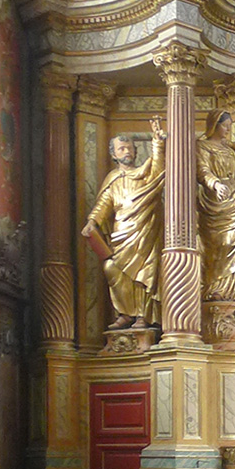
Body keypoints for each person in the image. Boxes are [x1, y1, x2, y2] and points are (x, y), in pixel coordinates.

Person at [82, 120, 166, 329]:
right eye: (121, 148)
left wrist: (157, 142)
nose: (126, 151)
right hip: (122, 232)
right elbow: (103, 204)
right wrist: (92, 222)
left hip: (146, 229)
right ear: (114, 154)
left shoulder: (144, 173)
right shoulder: (112, 179)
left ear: (136, 151)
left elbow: (158, 168)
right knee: (112, 268)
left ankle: (143, 317)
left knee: (144, 273)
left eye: (129, 147)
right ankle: (125, 313)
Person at [197, 110, 235, 302]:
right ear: (214, 125)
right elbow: (202, 169)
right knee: (221, 243)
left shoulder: (231, 149)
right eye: (225, 126)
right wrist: (214, 183)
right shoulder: (203, 146)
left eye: (229, 126)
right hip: (215, 198)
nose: (227, 130)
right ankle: (215, 286)